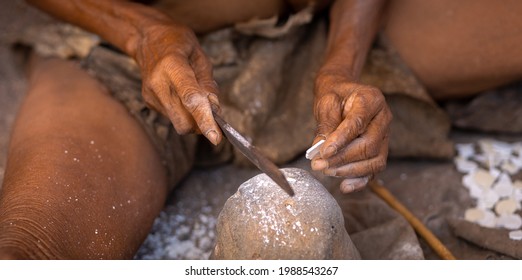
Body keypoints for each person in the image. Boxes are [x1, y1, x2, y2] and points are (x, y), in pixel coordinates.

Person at [0, 0, 520, 259]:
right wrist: (143, 34)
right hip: (130, 49)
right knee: (33, 248)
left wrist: (342, 65)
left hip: (311, 29)